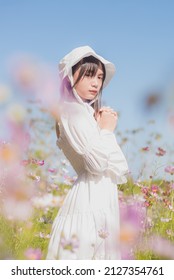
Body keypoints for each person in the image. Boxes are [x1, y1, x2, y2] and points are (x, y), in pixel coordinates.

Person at [46, 46, 129, 260]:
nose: (96, 83)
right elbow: (97, 164)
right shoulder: (71, 111)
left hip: (102, 197)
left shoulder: (86, 113)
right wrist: (107, 129)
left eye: (100, 77)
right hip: (90, 198)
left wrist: (101, 126)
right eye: (89, 75)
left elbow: (119, 167)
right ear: (70, 77)